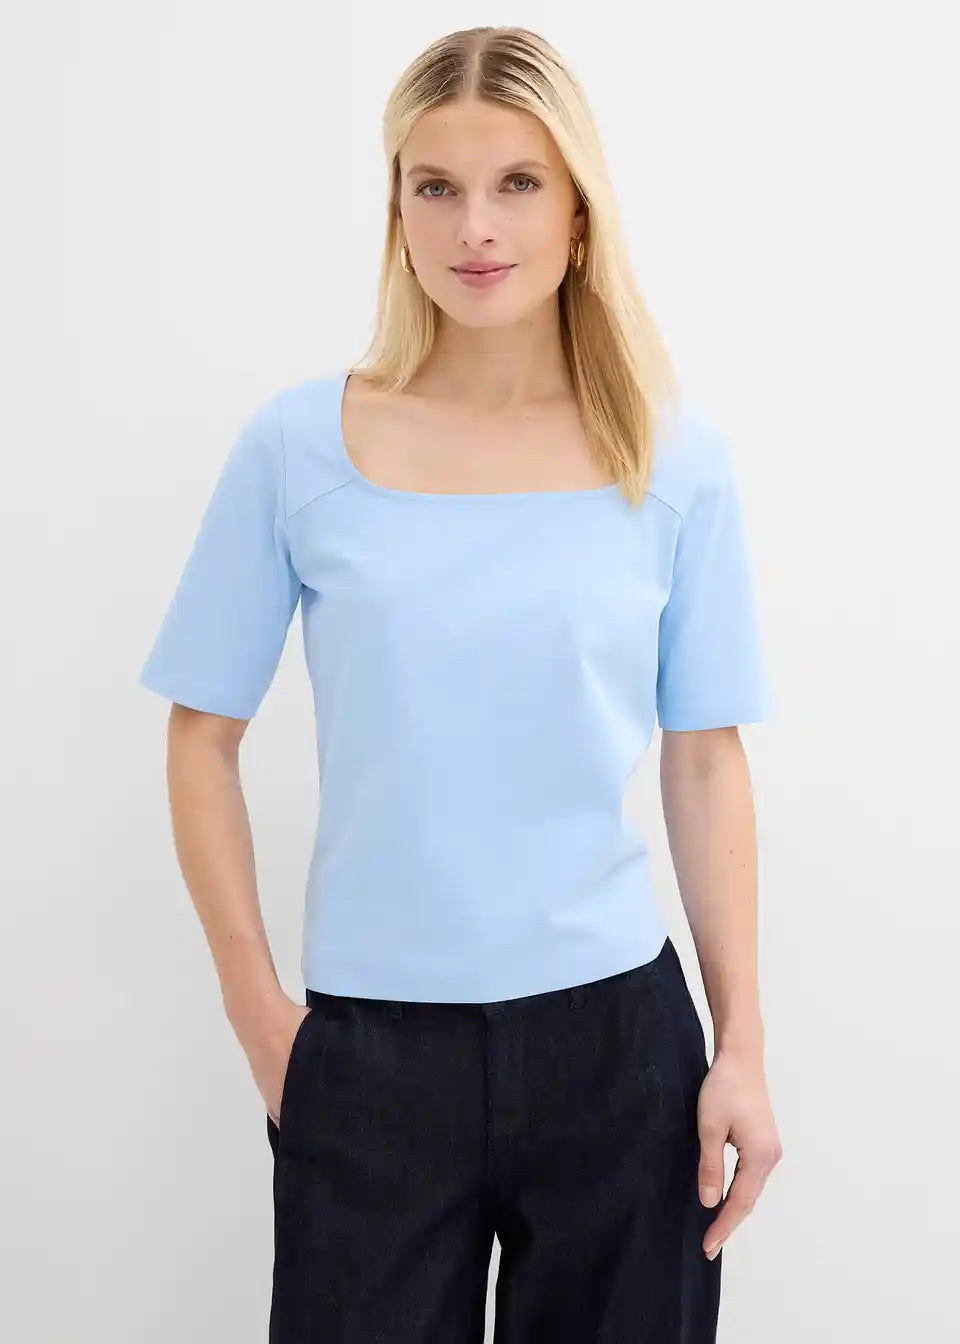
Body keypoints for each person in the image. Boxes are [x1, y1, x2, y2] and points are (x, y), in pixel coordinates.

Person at [138, 23, 782, 1344]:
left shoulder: (671, 460)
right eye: (435, 186)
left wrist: (742, 1048)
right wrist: (264, 1023)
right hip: (369, 1058)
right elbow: (200, 737)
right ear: (396, 209)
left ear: (581, 212)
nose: (474, 227)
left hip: (621, 1049)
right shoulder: (300, 446)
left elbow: (705, 758)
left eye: (518, 184)